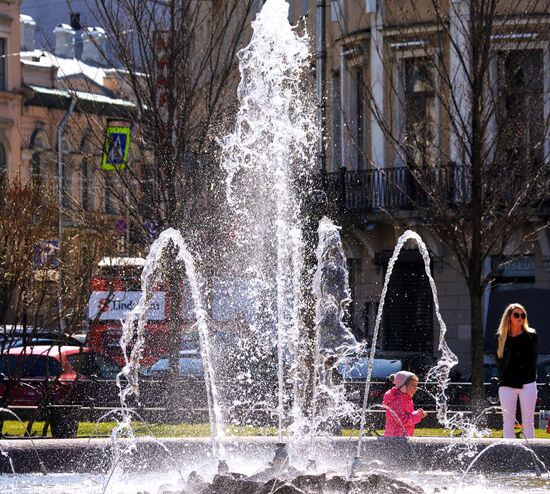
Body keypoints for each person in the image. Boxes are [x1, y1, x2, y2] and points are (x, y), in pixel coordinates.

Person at [495, 303, 538, 439]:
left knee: (528, 422)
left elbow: (533, 359)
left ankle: (531, 455)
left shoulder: (531, 335)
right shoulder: (500, 337)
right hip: (507, 384)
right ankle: (509, 455)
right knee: (507, 423)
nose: (520, 317)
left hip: (528, 383)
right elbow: (499, 361)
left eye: (523, 315)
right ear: (509, 317)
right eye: (516, 315)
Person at [382, 370, 428, 436]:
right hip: (397, 437)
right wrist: (418, 415)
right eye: (412, 385)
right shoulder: (398, 400)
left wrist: (417, 413)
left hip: (399, 435)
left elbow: (405, 415)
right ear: (403, 386)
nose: (415, 388)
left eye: (416, 385)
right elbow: (401, 420)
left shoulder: (404, 397)